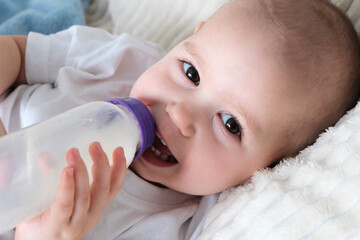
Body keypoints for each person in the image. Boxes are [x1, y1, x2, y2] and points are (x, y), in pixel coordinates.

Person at [0, 0, 359, 239]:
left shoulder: (175, 225)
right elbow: (17, 51)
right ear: (190, 38)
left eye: (230, 124)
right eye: (191, 72)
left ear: (272, 165)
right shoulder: (122, 60)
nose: (181, 113)